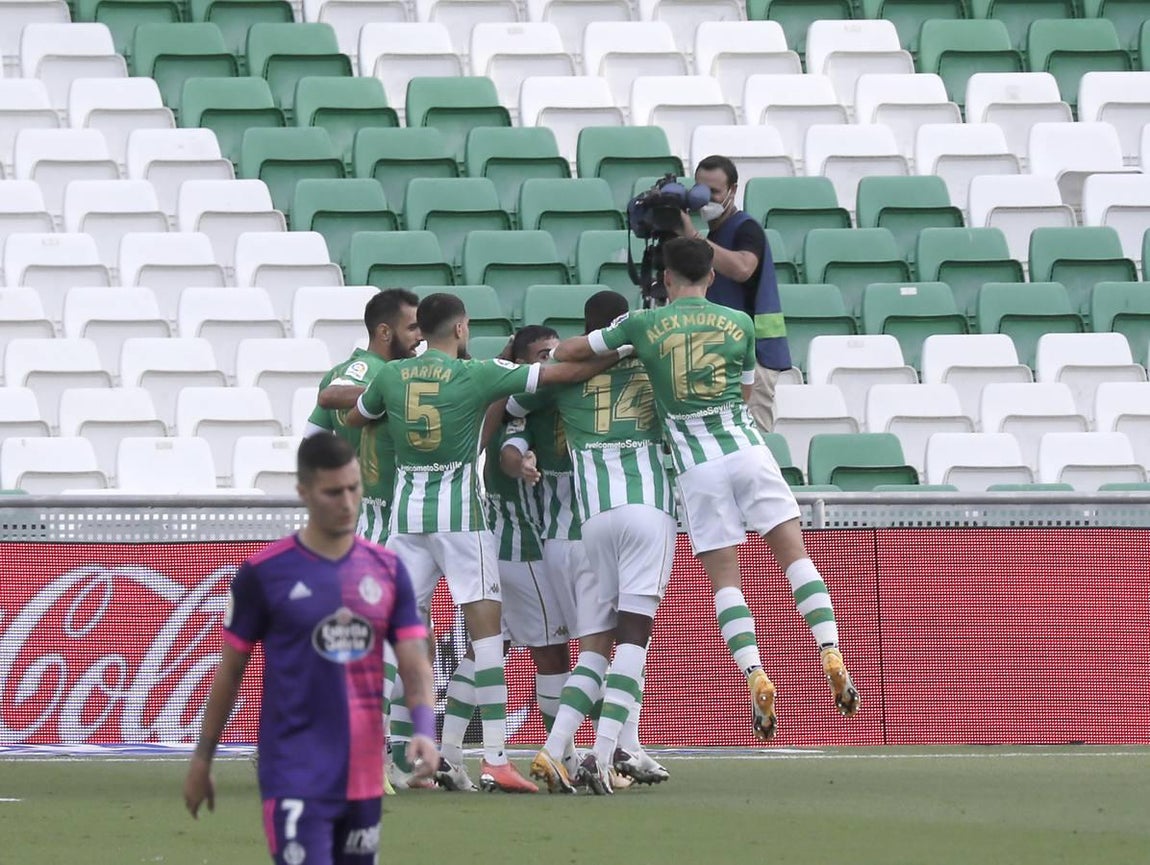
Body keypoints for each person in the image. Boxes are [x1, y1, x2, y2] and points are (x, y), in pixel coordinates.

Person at [554, 237, 860, 742]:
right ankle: (829, 646)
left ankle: (754, 672)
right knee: (795, 556)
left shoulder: (643, 324)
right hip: (746, 448)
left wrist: (622, 347)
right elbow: (743, 391)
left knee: (725, 579)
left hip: (697, 465)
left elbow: (571, 351)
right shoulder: (738, 323)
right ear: (712, 277)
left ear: (666, 280)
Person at [342, 292, 620, 793]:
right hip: (461, 519)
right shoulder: (477, 374)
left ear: (420, 330)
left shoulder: (390, 376)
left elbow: (355, 418)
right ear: (462, 329)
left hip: (406, 518)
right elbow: (560, 375)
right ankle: (494, 757)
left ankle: (369, 758)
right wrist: (616, 353)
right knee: (489, 635)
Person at [183, 433, 438, 865]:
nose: (347, 501)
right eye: (333, 491)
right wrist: (202, 759)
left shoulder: (388, 569)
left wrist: (425, 729)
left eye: (354, 488)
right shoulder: (264, 574)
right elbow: (229, 673)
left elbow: (415, 661)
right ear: (303, 492)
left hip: (361, 775)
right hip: (292, 771)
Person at [528, 290, 676, 795]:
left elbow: (513, 401)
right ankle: (607, 750)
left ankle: (555, 749)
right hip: (647, 509)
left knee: (597, 645)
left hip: (590, 520)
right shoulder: (653, 367)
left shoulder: (569, 374)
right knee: (635, 638)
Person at [308, 288, 428, 791]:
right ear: (385, 332)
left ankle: (396, 756)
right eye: (412, 328)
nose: (419, 338)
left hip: (394, 524)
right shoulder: (370, 373)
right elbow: (331, 401)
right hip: (373, 526)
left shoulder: (389, 375)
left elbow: (313, 442)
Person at [678, 154, 791, 432]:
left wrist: (692, 237)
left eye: (715, 192)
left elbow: (742, 268)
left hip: (756, 355)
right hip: (721, 354)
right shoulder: (712, 237)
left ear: (733, 190)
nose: (707, 200)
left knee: (754, 440)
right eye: (701, 192)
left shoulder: (746, 228)